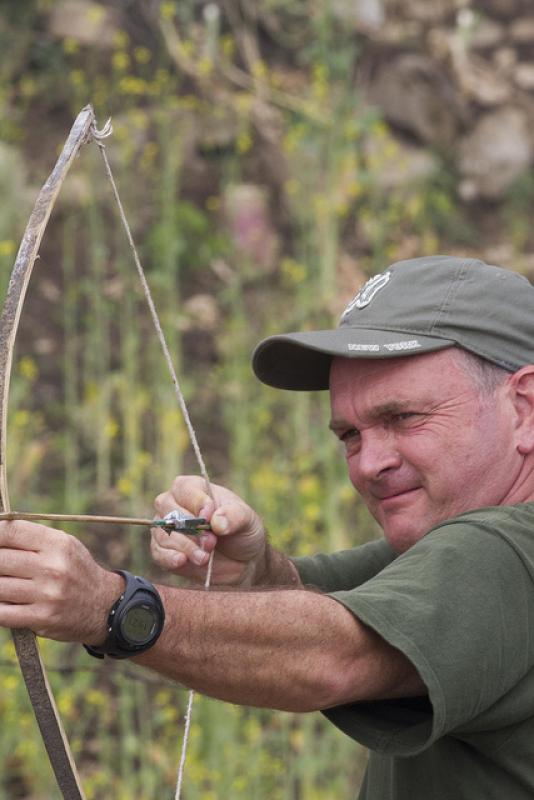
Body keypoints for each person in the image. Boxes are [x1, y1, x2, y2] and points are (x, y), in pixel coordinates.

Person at [2, 254, 534, 798]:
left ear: (525, 406)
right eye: (349, 435)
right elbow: (321, 606)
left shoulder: (510, 551)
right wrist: (253, 571)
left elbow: (335, 654)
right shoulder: (441, 547)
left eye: (403, 418)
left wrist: (109, 606)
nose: (369, 463)